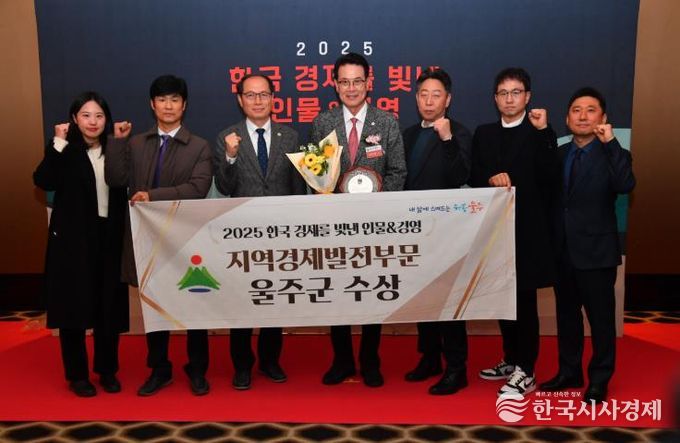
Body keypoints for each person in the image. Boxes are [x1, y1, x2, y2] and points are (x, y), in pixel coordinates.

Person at [105, 75, 213, 396]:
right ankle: (159, 368)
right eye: (162, 100)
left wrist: (152, 196)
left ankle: (197, 369)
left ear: (184, 105)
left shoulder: (199, 146)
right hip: (147, 240)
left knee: (194, 306)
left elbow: (198, 188)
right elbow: (115, 179)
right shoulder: (136, 143)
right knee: (154, 308)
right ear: (152, 105)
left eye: (175, 99)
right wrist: (118, 142)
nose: (168, 106)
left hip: (187, 240)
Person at [310, 52, 407, 387]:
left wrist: (375, 205)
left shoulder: (387, 122)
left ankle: (369, 360)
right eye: (344, 82)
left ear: (369, 83)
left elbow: (398, 171)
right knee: (337, 292)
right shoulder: (323, 123)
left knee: (371, 291)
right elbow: (315, 174)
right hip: (334, 225)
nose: (351, 88)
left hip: (374, 224)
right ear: (335, 86)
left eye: (357, 81)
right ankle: (342, 360)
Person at [539, 87, 635, 403]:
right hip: (562, 252)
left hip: (596, 254)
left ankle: (599, 379)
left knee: (601, 321)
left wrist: (611, 143)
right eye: (576, 110)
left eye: (590, 110)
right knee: (567, 318)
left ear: (603, 118)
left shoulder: (614, 153)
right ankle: (569, 372)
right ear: (567, 119)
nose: (583, 116)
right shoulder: (559, 154)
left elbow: (625, 184)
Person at [213, 73, 306, 390]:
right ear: (240, 100)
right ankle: (242, 365)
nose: (257, 101)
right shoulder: (227, 137)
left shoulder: (290, 137)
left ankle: (270, 360)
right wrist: (230, 156)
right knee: (242, 299)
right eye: (250, 95)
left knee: (273, 298)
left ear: (273, 98)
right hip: (242, 234)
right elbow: (224, 186)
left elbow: (297, 188)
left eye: (263, 94)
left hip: (280, 232)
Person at [469, 67, 559, 396]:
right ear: (495, 98)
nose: (509, 99)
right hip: (494, 232)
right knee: (501, 299)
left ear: (527, 96)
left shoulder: (539, 132)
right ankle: (510, 358)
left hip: (528, 232)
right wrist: (489, 177)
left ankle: (527, 370)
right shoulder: (484, 133)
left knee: (523, 302)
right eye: (503, 93)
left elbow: (552, 176)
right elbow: (473, 174)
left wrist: (545, 131)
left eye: (516, 92)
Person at [33, 92, 129, 397]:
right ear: (74, 118)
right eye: (86, 115)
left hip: (108, 237)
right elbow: (43, 180)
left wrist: (120, 143)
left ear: (106, 119)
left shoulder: (114, 148)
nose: (93, 122)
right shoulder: (64, 150)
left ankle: (107, 370)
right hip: (73, 242)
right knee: (72, 308)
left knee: (108, 307)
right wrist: (57, 143)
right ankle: (77, 375)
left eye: (99, 115)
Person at [401, 68, 471, 395]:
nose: (429, 101)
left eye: (436, 95)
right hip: (415, 231)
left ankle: (457, 367)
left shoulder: (459, 133)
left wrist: (447, 140)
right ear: (416, 98)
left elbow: (461, 176)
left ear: (448, 99)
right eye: (423, 95)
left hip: (447, 232)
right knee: (425, 298)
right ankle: (429, 357)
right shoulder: (408, 134)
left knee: (449, 301)